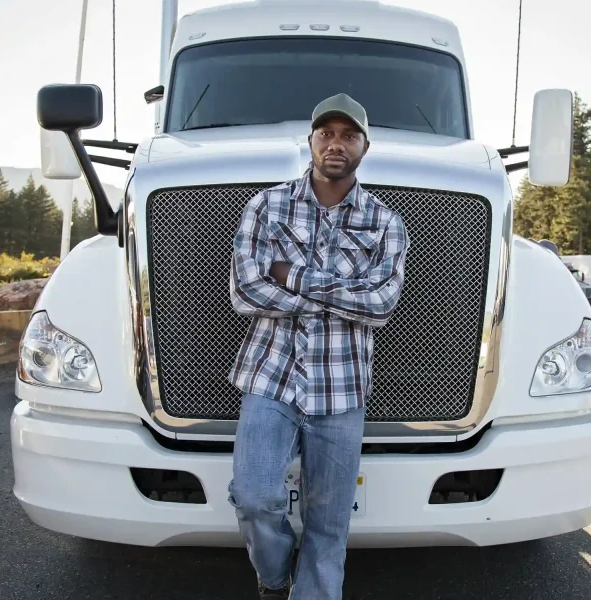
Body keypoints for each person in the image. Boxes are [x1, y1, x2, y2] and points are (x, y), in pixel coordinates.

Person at [227, 93, 409, 600]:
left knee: (329, 526)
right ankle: (274, 578)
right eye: (326, 134)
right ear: (310, 141)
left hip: (343, 388)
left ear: (365, 147)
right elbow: (245, 292)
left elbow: (381, 307)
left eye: (348, 135)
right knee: (255, 497)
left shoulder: (386, 223)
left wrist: (294, 277)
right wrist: (339, 295)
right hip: (270, 376)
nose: (336, 143)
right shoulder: (266, 206)